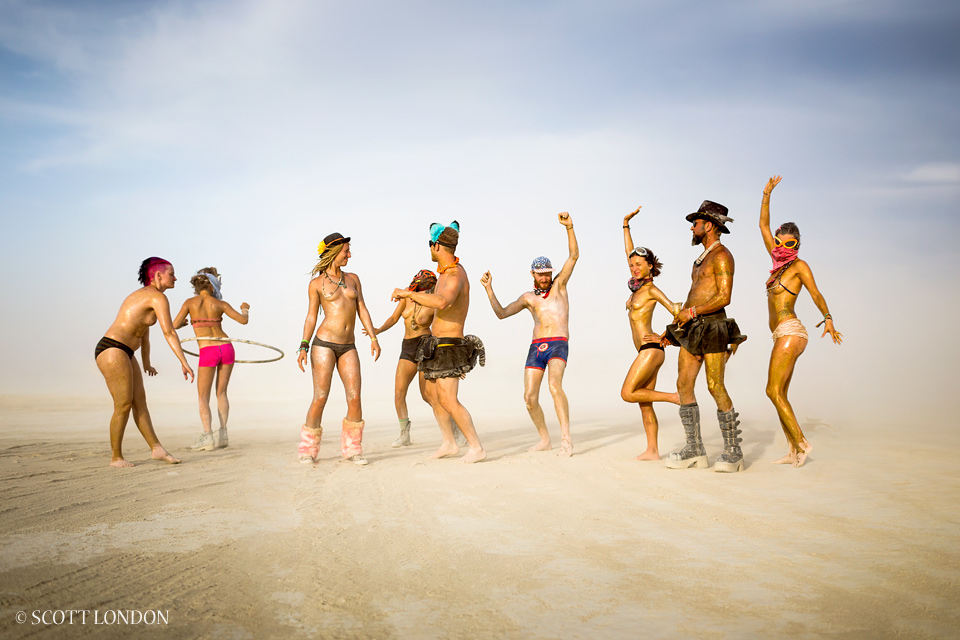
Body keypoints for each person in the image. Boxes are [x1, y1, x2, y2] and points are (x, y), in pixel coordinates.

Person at [479, 212, 578, 456]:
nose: (544, 278)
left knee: (554, 386)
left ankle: (566, 439)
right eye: (540, 274)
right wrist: (489, 290)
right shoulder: (528, 298)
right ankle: (545, 439)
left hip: (558, 343)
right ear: (532, 274)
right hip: (537, 347)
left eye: (547, 273)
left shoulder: (559, 286)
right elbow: (501, 313)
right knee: (529, 397)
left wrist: (569, 228)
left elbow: (574, 256)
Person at [760, 176, 843, 467]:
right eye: (785, 240)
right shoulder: (776, 267)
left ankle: (803, 443)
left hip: (791, 331)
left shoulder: (798, 266)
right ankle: (793, 451)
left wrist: (829, 318)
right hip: (781, 334)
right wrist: (766, 194)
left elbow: (816, 293)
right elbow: (763, 227)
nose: (789, 245)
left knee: (771, 391)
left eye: (794, 242)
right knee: (780, 393)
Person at [391, 221, 486, 463]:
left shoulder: (455, 274)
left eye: (430, 245)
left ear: (436, 246)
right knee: (431, 394)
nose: (429, 250)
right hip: (436, 343)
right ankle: (449, 442)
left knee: (448, 399)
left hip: (450, 344)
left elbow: (443, 302)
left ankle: (476, 447)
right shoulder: (444, 274)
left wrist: (409, 294)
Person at [663, 201, 748, 472]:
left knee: (715, 386)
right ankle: (695, 449)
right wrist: (682, 315)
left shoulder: (722, 255)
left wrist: (693, 311)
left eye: (696, 224)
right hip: (692, 327)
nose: (692, 227)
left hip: (713, 326)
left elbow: (725, 297)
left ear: (709, 226)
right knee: (683, 385)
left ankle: (734, 451)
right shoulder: (701, 258)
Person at [95, 257, 195, 467]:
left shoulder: (149, 298)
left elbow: (144, 333)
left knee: (140, 402)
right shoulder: (157, 298)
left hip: (125, 351)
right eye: (171, 273)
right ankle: (116, 458)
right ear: (158, 275)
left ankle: (157, 449)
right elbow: (168, 332)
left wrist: (146, 362)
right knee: (123, 405)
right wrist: (183, 362)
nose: (175, 278)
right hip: (112, 349)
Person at [297, 233, 381, 465]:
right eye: (346, 251)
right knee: (320, 397)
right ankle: (307, 449)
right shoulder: (316, 284)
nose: (349, 254)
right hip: (323, 344)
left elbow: (362, 308)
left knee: (355, 398)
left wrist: (373, 337)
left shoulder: (353, 279)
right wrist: (303, 346)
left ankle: (353, 449)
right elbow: (311, 316)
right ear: (334, 252)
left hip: (348, 346)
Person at [620, 207, 683, 460]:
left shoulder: (651, 289)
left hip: (651, 350)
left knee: (627, 393)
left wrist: (666, 337)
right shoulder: (637, 289)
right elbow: (628, 252)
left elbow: (677, 311)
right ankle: (653, 450)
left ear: (650, 266)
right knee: (644, 403)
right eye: (632, 264)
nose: (634, 267)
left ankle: (675, 397)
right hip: (644, 351)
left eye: (639, 264)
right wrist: (625, 225)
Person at [173, 267, 250, 451]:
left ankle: (208, 436)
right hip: (226, 347)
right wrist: (245, 309)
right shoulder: (219, 304)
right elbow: (243, 320)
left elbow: (174, 324)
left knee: (203, 397)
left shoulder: (190, 303)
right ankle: (223, 433)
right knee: (221, 393)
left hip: (208, 350)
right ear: (214, 283)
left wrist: (186, 323)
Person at [367, 269, 437, 447]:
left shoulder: (433, 300)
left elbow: (440, 328)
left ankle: (453, 426)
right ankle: (404, 434)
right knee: (399, 393)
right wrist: (378, 330)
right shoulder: (407, 295)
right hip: (407, 347)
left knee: (427, 395)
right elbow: (394, 317)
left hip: (425, 345)